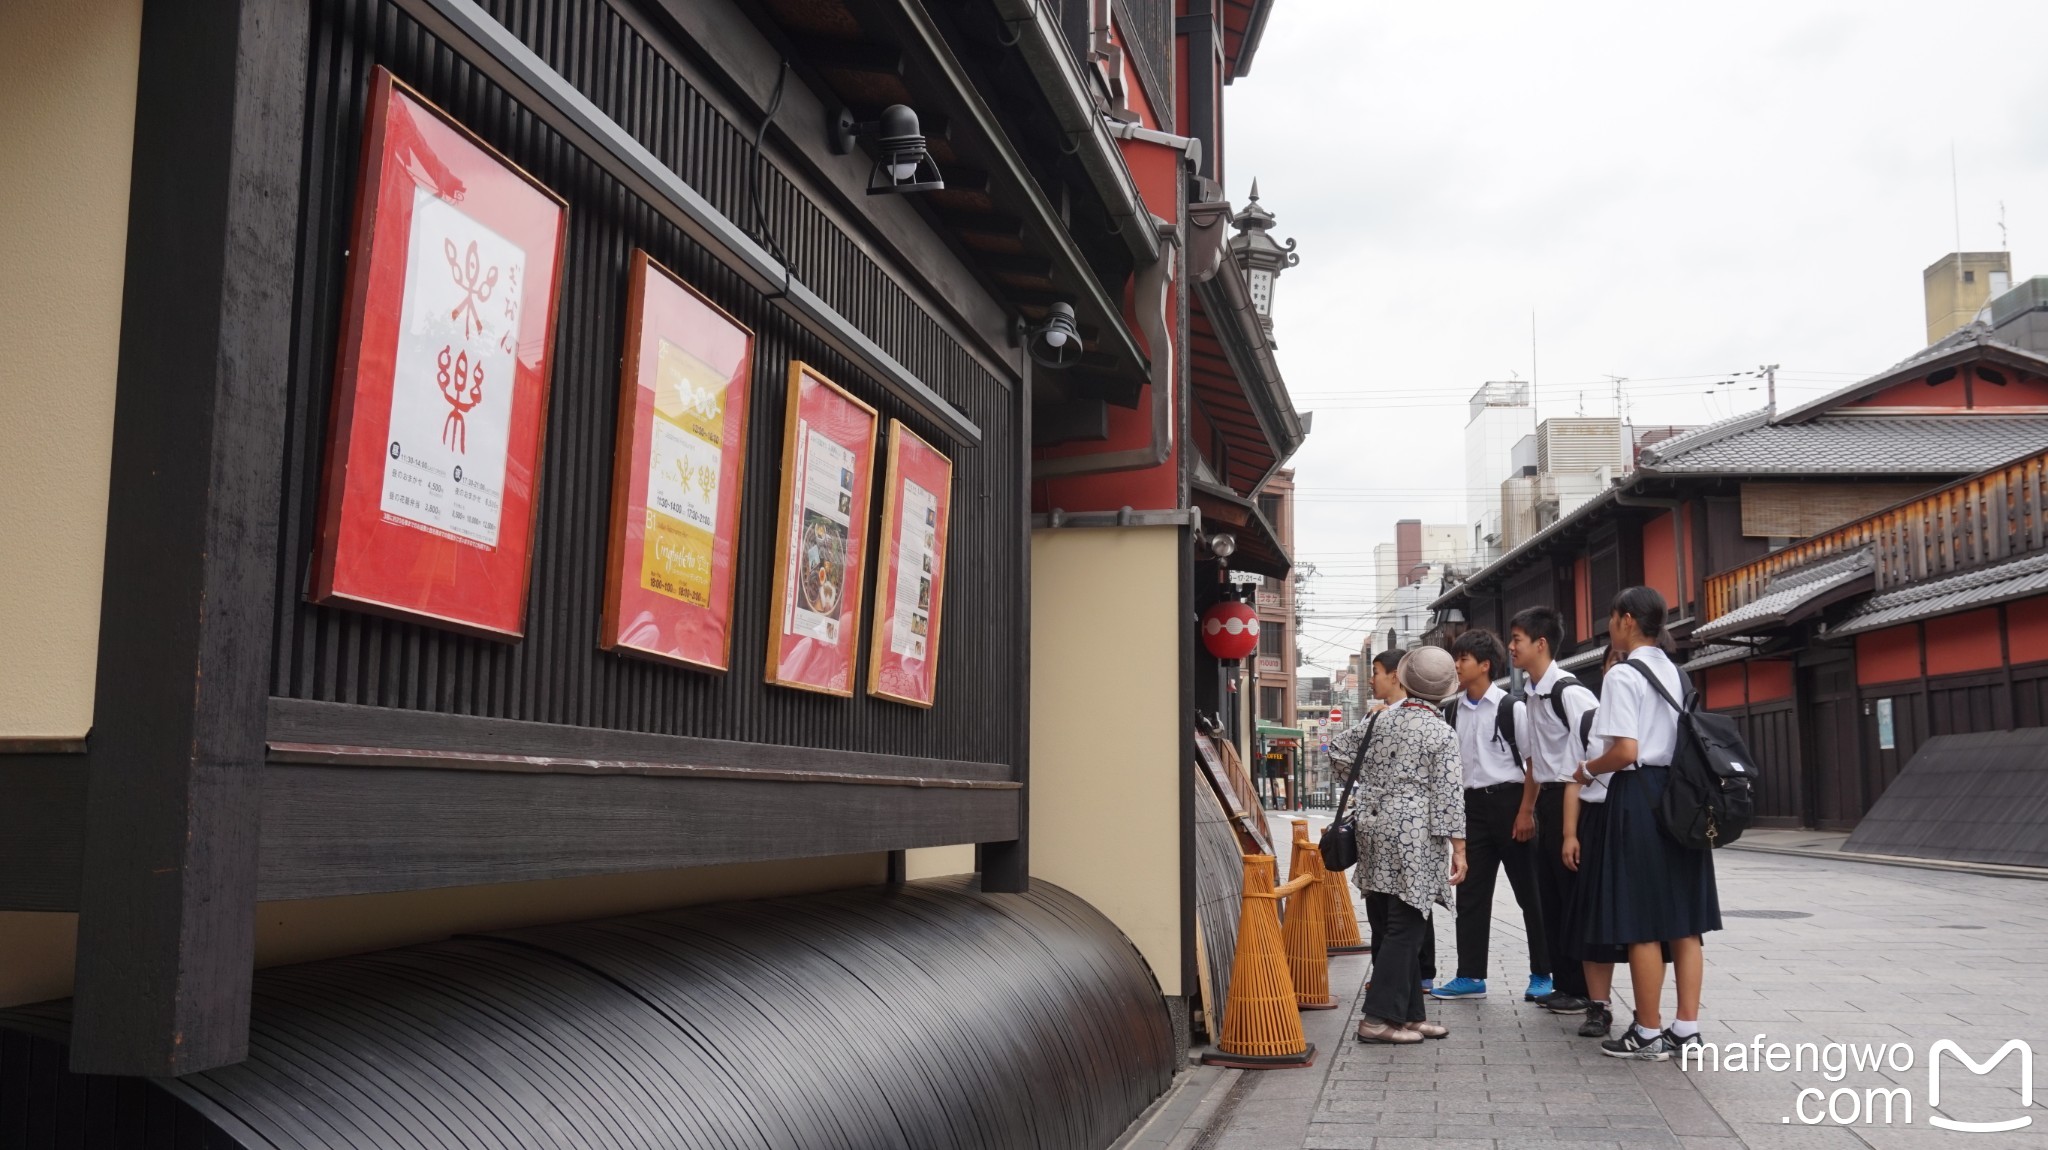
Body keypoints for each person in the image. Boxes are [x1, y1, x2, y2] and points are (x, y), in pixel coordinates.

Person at [1577, 587, 1722, 1060]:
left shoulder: (1622, 674)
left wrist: (1587, 770)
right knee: (1684, 921)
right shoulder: (1675, 671)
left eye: (1612, 619)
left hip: (1639, 796)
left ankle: (1648, 1031)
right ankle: (1687, 1028)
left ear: (1625, 619)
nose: (1610, 628)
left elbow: (1626, 752)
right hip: (1682, 797)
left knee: (1642, 922)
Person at [1331, 646, 1467, 1045]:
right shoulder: (1441, 733)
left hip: (1372, 826)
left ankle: (1409, 1015)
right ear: (1444, 691)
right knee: (1407, 925)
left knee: (1389, 922)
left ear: (1404, 680)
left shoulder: (1380, 722)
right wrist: (1459, 848)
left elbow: (1338, 749)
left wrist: (1369, 784)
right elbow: (1448, 796)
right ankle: (1377, 1020)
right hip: (1414, 834)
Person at [1429, 629, 1549, 1004]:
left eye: (1463, 658)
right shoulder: (1450, 709)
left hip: (1511, 803)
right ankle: (1470, 975)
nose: (1456, 665)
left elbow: (1533, 765)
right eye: (1456, 657)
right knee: (1471, 894)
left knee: (1530, 894)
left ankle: (1542, 973)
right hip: (1470, 809)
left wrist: (1526, 811)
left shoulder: (1511, 707)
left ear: (1484, 665)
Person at [1505, 606, 1597, 1018]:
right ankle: (1563, 985)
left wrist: (1571, 830)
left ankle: (1582, 990)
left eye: (1517, 639)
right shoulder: (1531, 692)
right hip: (1548, 801)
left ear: (1540, 644)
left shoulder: (1570, 692)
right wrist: (1527, 810)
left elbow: (1589, 758)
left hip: (1571, 800)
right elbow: (1535, 763)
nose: (1511, 647)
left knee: (1572, 896)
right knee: (1550, 898)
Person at [1359, 649, 1438, 987]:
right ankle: (1386, 973)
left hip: (1410, 829)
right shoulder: (1373, 719)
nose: (1371, 678)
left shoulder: (1425, 720)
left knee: (1411, 903)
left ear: (1396, 675)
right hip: (1375, 827)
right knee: (1379, 904)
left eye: (1376, 671)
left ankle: (1421, 973)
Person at [1560, 643, 1627, 1040]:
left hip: (1636, 820)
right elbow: (1574, 778)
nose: (1619, 671)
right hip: (1595, 819)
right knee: (1591, 915)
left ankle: (1648, 1011)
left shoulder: (1652, 717)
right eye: (1613, 663)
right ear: (1604, 672)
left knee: (1638, 924)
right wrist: (1570, 833)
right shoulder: (1588, 721)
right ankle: (1597, 1005)